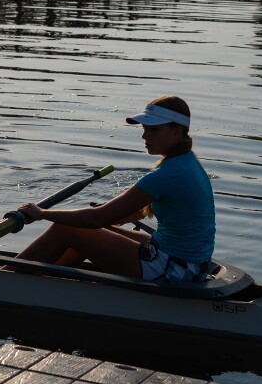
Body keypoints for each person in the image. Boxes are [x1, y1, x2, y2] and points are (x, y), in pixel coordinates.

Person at [15, 95, 215, 281]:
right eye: (144, 129)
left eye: (153, 130)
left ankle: (5, 277)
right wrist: (111, 219)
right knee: (86, 228)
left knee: (66, 228)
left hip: (174, 270)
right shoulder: (187, 162)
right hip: (190, 266)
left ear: (177, 131)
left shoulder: (167, 174)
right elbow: (139, 210)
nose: (145, 136)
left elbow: (96, 218)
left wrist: (42, 213)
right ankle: (43, 279)